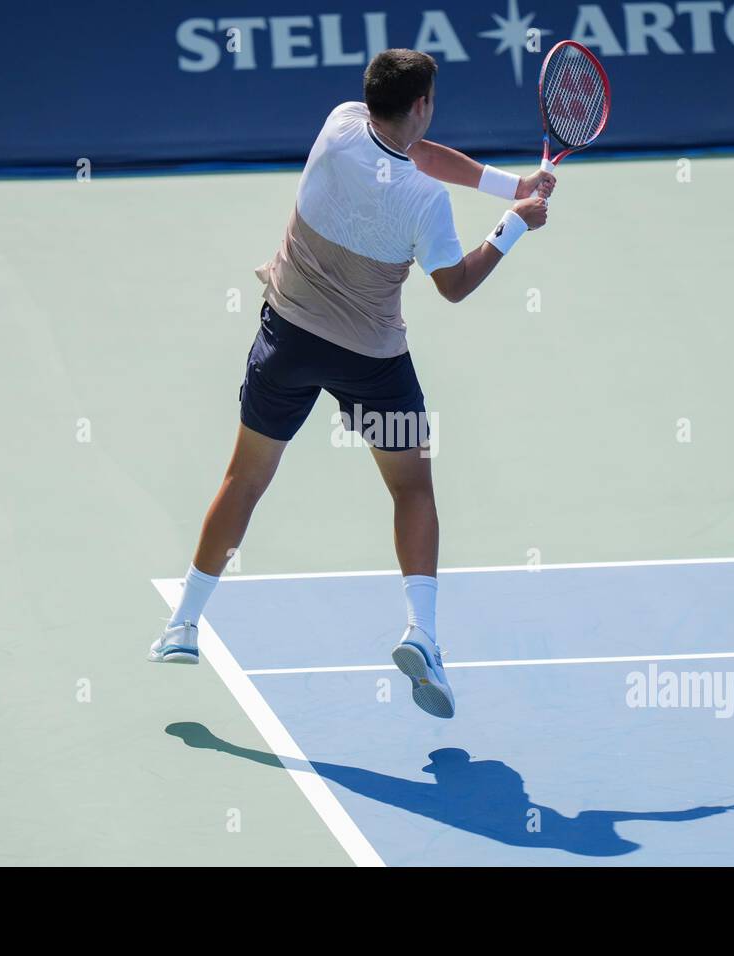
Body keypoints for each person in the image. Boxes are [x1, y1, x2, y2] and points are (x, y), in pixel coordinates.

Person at [149, 49, 553, 719]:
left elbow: (415, 153)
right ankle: (421, 635)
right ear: (421, 106)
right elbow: (453, 287)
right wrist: (514, 225)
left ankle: (183, 626)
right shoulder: (425, 203)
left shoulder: (339, 126)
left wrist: (512, 184)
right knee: (411, 487)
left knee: (244, 479)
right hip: (372, 365)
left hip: (286, 346)